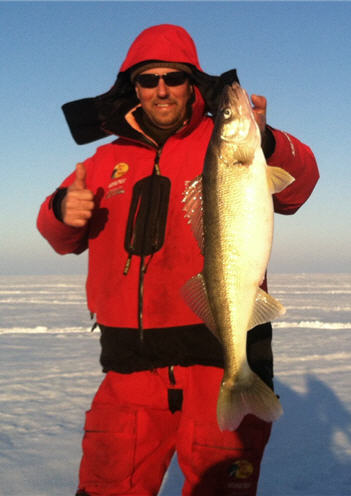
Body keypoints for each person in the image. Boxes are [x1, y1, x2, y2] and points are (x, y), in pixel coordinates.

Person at [37, 24, 319, 496]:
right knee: (108, 485)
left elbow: (297, 188)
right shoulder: (107, 162)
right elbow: (61, 238)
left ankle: (240, 380)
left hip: (216, 356)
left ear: (192, 84)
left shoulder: (226, 144)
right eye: (149, 79)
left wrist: (267, 140)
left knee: (218, 485)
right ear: (135, 88)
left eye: (174, 76)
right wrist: (62, 212)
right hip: (131, 367)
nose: (162, 88)